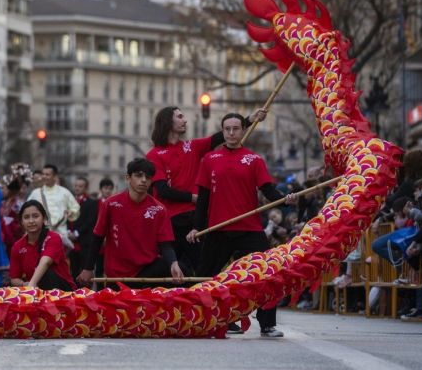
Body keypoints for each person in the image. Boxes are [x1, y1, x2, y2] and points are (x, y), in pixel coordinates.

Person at [187, 113, 297, 338]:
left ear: (243, 131)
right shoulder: (209, 160)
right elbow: (203, 199)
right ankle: (198, 320)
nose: (231, 133)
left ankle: (267, 324)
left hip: (250, 228)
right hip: (218, 229)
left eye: (236, 128)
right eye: (227, 129)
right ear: (222, 131)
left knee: (268, 272)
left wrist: (285, 200)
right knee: (205, 276)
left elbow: (268, 190)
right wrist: (196, 227)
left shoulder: (254, 160)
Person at [147, 105, 267, 275]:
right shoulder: (155, 154)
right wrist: (193, 197)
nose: (185, 120)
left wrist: (249, 119)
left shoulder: (192, 146)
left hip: (196, 221)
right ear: (168, 121)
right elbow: (163, 190)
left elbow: (218, 138)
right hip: (171, 222)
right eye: (180, 116)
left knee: (204, 270)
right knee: (167, 269)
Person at [77, 159, 184, 288]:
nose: (144, 180)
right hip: (116, 274)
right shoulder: (111, 204)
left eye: (148, 177)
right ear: (128, 178)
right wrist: (88, 268)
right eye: (139, 175)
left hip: (146, 272)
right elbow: (97, 238)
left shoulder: (159, 209)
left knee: (181, 269)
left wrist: (173, 263)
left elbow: (165, 245)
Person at [8, 200, 75, 291]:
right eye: (26, 217)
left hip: (62, 291)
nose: (31, 221)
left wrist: (31, 284)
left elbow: (45, 262)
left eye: (35, 216)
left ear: (44, 219)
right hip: (35, 290)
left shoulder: (53, 237)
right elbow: (14, 279)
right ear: (21, 222)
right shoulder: (17, 246)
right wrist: (24, 284)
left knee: (46, 273)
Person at [26, 164, 80, 250]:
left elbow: (75, 208)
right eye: (43, 174)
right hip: (40, 235)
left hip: (60, 235)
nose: (44, 176)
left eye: (47, 174)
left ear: (55, 176)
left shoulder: (64, 192)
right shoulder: (35, 193)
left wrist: (71, 212)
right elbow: (26, 211)